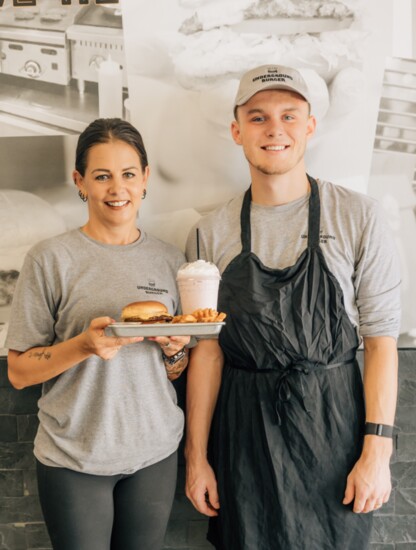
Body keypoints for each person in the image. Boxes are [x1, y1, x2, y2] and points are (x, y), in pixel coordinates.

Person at [184, 65, 401, 550]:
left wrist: (377, 451)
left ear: (310, 126)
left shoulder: (358, 216)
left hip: (335, 433)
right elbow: (208, 353)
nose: (274, 129)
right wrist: (196, 458)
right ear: (237, 130)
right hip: (243, 438)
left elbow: (381, 340)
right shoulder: (209, 233)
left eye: (289, 115)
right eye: (258, 117)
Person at [6, 118, 190, 550]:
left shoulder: (170, 259)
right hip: (75, 456)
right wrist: (83, 346)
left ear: (145, 178)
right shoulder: (51, 259)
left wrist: (175, 352)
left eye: (128, 174)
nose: (117, 188)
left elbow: (175, 372)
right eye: (102, 176)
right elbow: (18, 372)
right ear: (80, 182)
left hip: (154, 454)